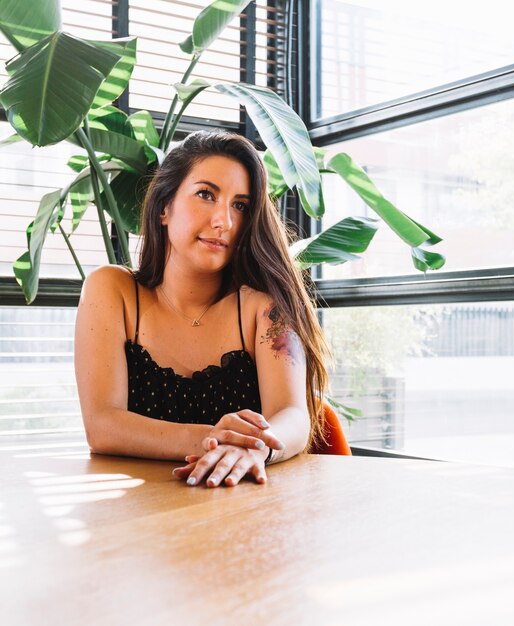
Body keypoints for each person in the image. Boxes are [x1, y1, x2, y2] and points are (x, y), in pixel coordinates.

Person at [75, 130, 330, 487]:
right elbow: (102, 426)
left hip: (244, 511)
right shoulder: (112, 291)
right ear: (164, 207)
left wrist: (257, 448)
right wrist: (216, 439)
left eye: (239, 205)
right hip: (139, 520)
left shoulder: (263, 307)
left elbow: (293, 417)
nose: (223, 221)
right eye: (206, 195)